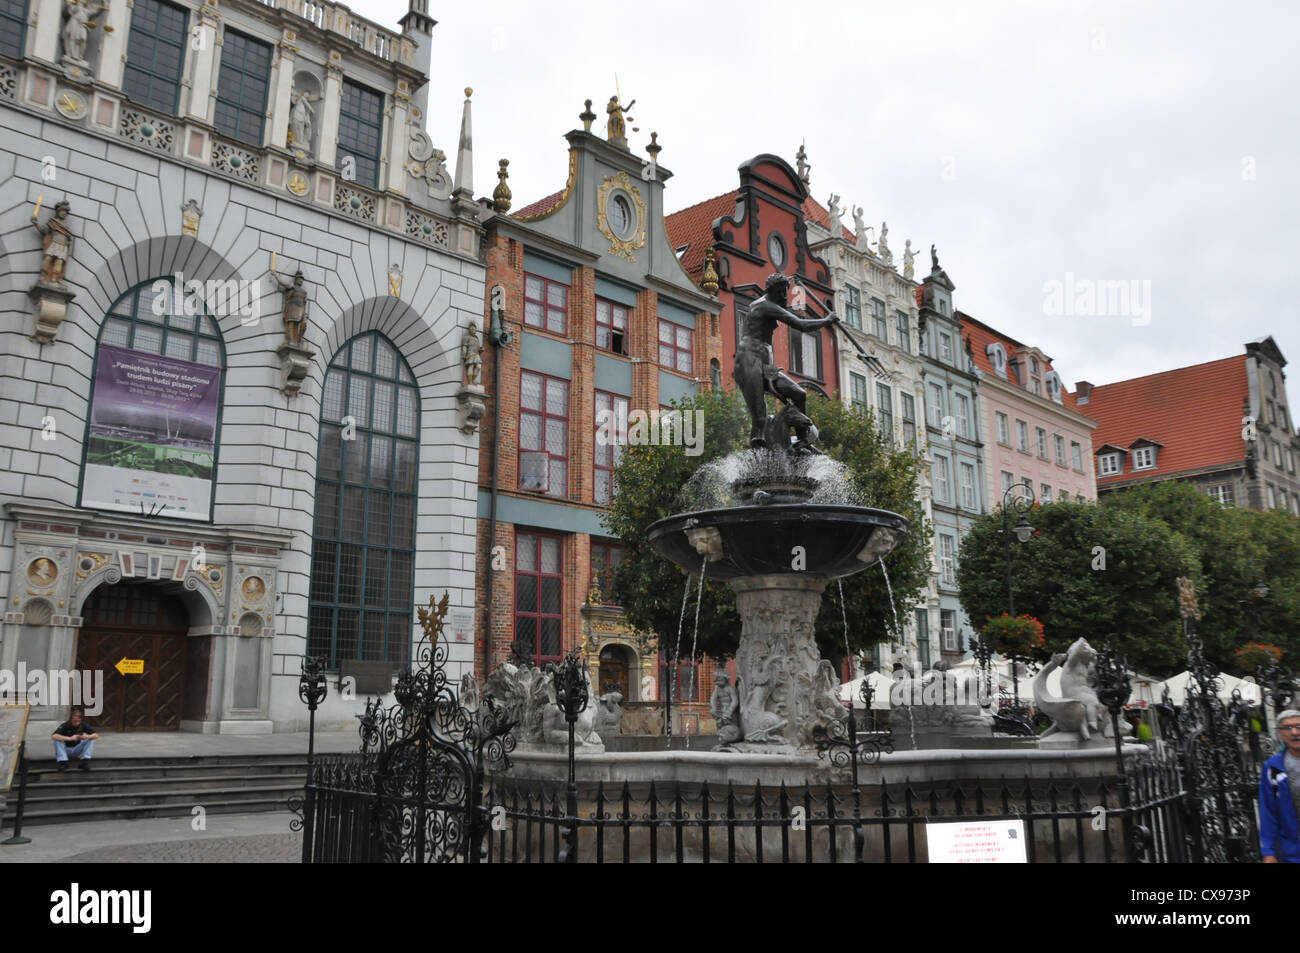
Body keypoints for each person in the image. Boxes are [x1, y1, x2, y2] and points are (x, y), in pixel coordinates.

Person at [1260, 708, 1300, 863]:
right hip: (1293, 851)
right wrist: (1269, 852)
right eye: (1288, 728)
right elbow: (1268, 811)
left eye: (1299, 726)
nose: (1294, 732)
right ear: (1280, 733)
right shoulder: (1273, 767)